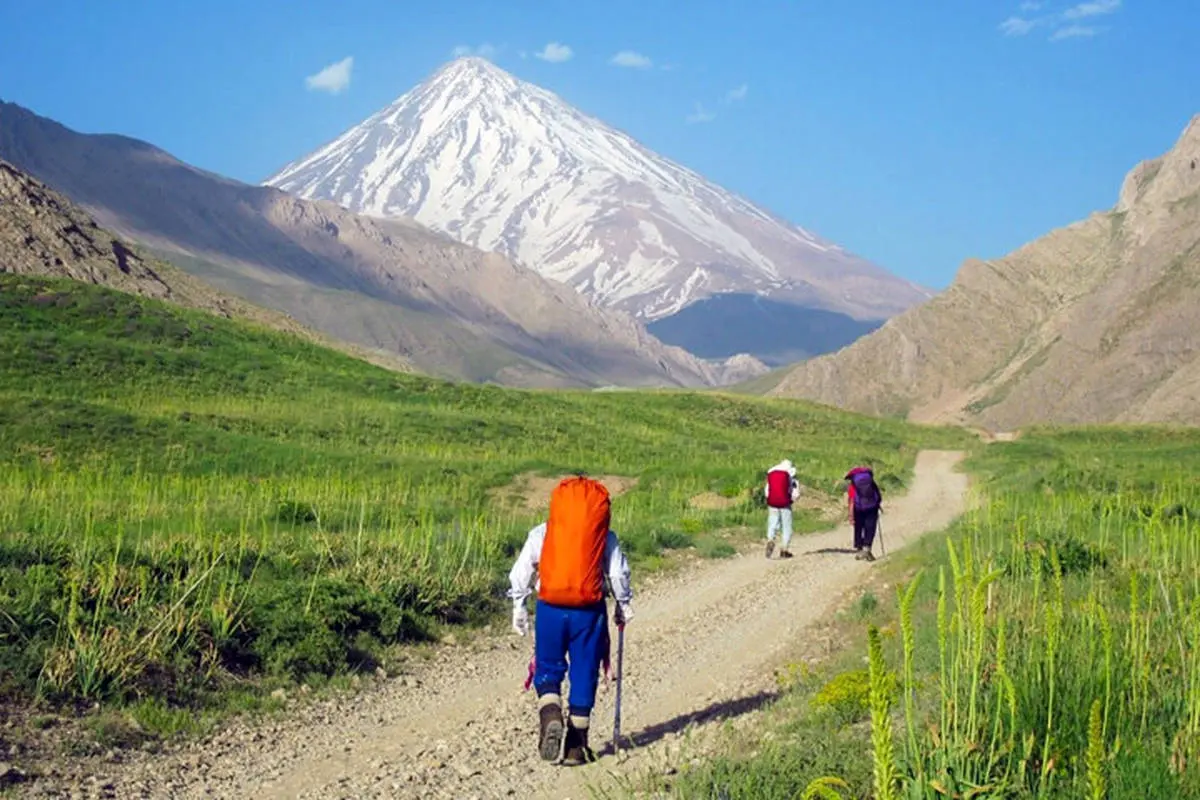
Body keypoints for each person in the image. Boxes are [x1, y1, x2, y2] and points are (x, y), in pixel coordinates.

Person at [509, 475, 633, 766]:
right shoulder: (605, 537)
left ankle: (550, 713)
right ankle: (577, 748)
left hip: (550, 608)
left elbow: (521, 571)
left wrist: (519, 606)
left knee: (548, 666)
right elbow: (617, 574)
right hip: (589, 611)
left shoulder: (542, 531)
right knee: (584, 670)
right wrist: (623, 604)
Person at [764, 459, 800, 559]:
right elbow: (796, 493)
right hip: (785, 503)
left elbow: (767, 491)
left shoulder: (772, 474)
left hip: (772, 503)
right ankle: (784, 549)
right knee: (786, 526)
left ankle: (770, 539)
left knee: (773, 522)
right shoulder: (791, 476)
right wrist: (791, 500)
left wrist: (770, 499)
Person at [845, 465, 883, 561]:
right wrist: (877, 504)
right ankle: (867, 548)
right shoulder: (871, 482)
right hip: (872, 507)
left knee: (858, 528)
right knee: (870, 527)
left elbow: (851, 501)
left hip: (858, 509)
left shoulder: (853, 486)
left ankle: (859, 550)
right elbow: (878, 495)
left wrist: (850, 515)